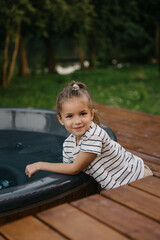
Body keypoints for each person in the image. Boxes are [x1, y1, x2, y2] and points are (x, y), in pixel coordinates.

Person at [25, 81, 153, 189]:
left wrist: (40, 165)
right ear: (60, 120)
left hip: (136, 177)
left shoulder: (94, 135)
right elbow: (67, 169)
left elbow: (74, 168)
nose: (77, 121)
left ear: (91, 114)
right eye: (69, 116)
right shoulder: (68, 144)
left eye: (82, 114)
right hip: (118, 184)